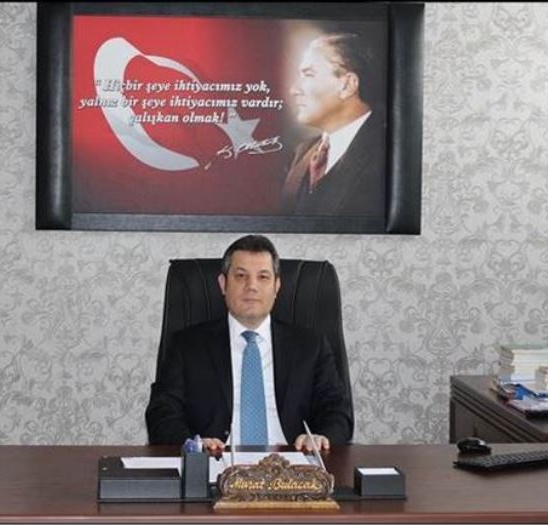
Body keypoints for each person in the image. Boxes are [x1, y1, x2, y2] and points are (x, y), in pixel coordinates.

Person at [145, 235, 352, 452]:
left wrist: (321, 438)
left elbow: (337, 410)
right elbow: (162, 414)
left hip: (292, 462)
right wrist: (194, 445)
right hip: (216, 461)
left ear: (276, 287)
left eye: (263, 277)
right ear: (223, 284)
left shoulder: (311, 346)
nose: (251, 286)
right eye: (241, 276)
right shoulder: (186, 346)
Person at [280, 33, 385, 217]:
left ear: (347, 85)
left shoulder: (386, 154)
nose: (294, 89)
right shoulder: (301, 153)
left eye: (308, 75)